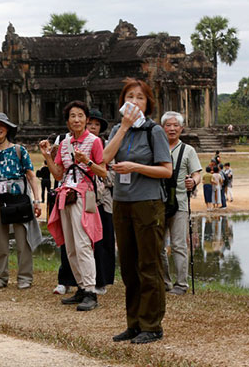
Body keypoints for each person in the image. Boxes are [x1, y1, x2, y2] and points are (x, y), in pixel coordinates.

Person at [102, 78, 172, 345]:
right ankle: (133, 324)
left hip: (148, 203)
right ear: (122, 102)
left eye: (140, 97)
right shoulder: (119, 130)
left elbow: (166, 170)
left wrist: (135, 167)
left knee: (149, 264)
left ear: (148, 103)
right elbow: (105, 159)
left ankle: (152, 324)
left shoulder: (154, 131)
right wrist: (124, 128)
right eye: (129, 96)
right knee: (129, 266)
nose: (134, 101)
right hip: (122, 202)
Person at [40, 102, 106, 311]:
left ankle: (91, 291)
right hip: (65, 195)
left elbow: (103, 172)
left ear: (86, 119)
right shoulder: (66, 143)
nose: (76, 120)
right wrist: (47, 157)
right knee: (70, 247)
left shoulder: (94, 142)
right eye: (72, 116)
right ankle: (81, 286)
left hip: (83, 195)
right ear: (67, 121)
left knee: (83, 243)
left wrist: (87, 161)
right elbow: (58, 174)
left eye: (80, 116)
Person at [0, 113, 43, 290]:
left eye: (1, 125)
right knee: (0, 241)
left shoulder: (19, 150)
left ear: (7, 128)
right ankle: (1, 276)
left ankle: (25, 277)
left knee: (22, 239)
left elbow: (31, 176)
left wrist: (37, 200)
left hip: (19, 198)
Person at [159, 111, 202, 295]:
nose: (172, 128)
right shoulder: (156, 148)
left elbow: (197, 173)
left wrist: (194, 181)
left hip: (180, 203)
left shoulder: (188, 150)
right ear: (162, 128)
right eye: (168, 125)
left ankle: (181, 284)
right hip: (158, 203)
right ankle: (164, 282)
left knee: (179, 244)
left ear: (181, 128)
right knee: (158, 246)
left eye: (176, 125)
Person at [86, 108, 115, 295]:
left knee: (104, 240)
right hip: (84, 197)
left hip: (103, 198)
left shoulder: (108, 147)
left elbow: (111, 175)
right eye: (90, 124)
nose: (93, 128)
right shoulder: (77, 144)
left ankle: (102, 280)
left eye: (96, 125)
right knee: (85, 241)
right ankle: (85, 279)